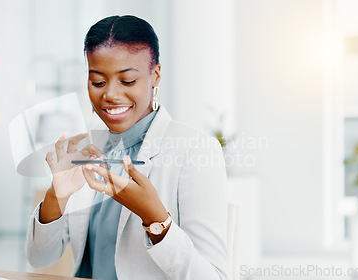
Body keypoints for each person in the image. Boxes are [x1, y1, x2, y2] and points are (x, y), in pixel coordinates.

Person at [26, 15, 228, 280]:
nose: (109, 94)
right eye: (98, 81)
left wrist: (155, 219)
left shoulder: (196, 150)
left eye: (128, 81)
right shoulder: (85, 149)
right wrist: (56, 196)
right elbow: (40, 257)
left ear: (155, 75)